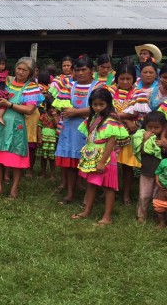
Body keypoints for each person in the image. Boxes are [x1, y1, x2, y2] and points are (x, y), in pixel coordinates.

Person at [0, 57, 44, 198]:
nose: (21, 72)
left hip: (16, 126)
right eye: (19, 68)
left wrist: (9, 104)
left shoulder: (31, 87)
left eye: (25, 70)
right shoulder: (7, 80)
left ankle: (14, 189)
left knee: (16, 158)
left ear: (30, 72)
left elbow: (29, 109)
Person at [71, 88, 129, 225]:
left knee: (108, 187)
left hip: (106, 157)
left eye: (101, 105)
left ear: (108, 104)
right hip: (93, 155)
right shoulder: (93, 118)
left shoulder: (112, 119)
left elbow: (111, 142)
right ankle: (87, 211)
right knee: (91, 184)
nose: (97, 107)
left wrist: (102, 162)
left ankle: (107, 217)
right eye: (94, 104)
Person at [52, 56, 103, 204]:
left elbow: (100, 108)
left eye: (84, 69)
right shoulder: (70, 86)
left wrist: (75, 112)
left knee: (89, 163)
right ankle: (70, 193)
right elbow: (61, 104)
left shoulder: (99, 87)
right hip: (70, 130)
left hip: (90, 130)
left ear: (91, 70)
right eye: (77, 70)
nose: (80, 73)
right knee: (70, 164)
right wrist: (76, 110)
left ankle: (88, 195)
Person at [109, 63, 151, 204]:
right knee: (110, 164)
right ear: (117, 78)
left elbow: (139, 114)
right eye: (122, 78)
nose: (125, 82)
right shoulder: (109, 91)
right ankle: (109, 190)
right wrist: (127, 121)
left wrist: (123, 118)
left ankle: (126, 194)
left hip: (130, 134)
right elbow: (104, 111)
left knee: (127, 166)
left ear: (134, 79)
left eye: (128, 78)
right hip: (110, 134)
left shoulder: (139, 94)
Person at [131, 111, 165, 223]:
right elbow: (140, 152)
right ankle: (141, 215)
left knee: (158, 195)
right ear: (145, 126)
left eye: (157, 127)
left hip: (161, 174)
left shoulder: (163, 139)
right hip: (146, 171)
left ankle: (158, 215)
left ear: (163, 127)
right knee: (144, 194)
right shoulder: (141, 135)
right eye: (150, 127)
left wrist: (164, 145)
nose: (153, 130)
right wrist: (144, 140)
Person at [36, 100, 59, 180]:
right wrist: (39, 138)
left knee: (52, 158)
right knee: (43, 157)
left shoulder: (57, 117)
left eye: (54, 108)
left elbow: (58, 126)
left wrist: (55, 117)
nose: (52, 110)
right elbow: (39, 127)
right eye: (51, 108)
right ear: (47, 108)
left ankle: (52, 174)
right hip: (43, 138)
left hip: (52, 139)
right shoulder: (43, 115)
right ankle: (43, 173)